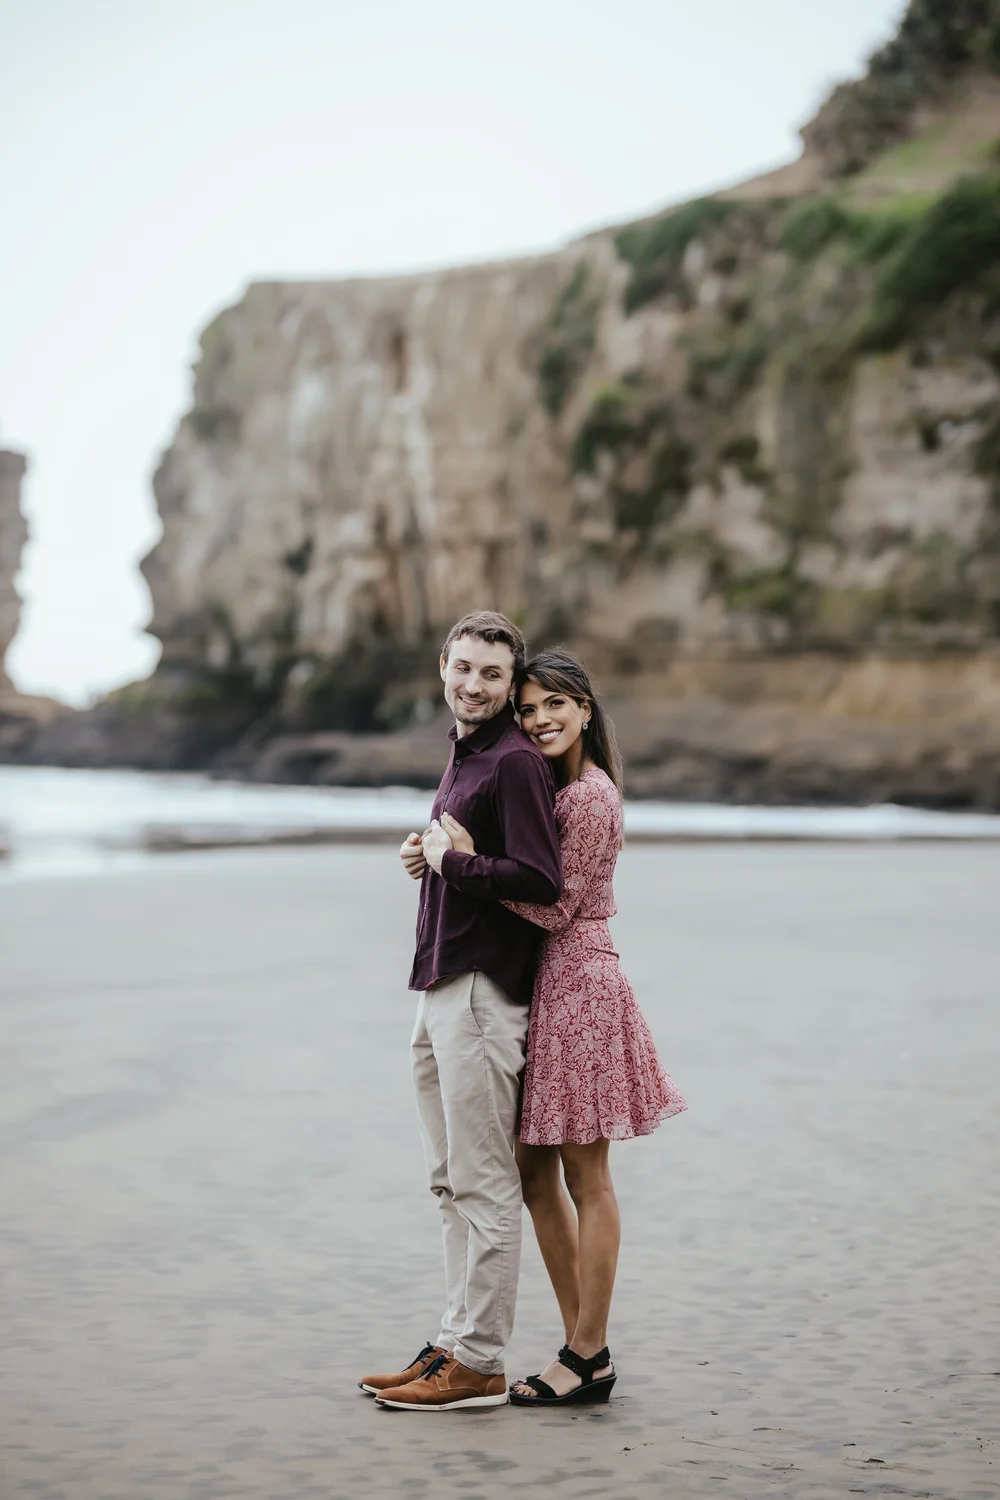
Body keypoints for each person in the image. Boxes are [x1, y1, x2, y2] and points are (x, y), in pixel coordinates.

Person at [442, 648, 686, 1407]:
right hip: (553, 986)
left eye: (555, 704)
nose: (540, 719)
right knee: (533, 1172)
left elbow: (554, 907)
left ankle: (586, 1353)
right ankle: (586, 1347)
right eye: (528, 709)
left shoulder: (589, 797)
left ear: (585, 709)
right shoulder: (559, 788)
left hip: (580, 986)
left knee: (587, 1177)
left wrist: (463, 864)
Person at [358, 611, 562, 1412]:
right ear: (442, 664)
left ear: (510, 686)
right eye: (464, 668)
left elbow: (539, 879)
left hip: (481, 990)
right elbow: (470, 853)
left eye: (492, 675)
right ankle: (452, 1342)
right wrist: (428, 858)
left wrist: (457, 863)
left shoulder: (514, 761)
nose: (473, 685)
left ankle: (479, 1360)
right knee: (447, 1180)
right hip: (441, 983)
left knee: (482, 1182)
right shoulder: (464, 751)